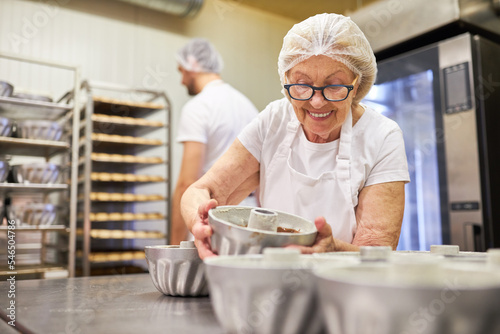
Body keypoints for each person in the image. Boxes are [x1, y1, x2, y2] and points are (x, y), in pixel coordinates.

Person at [180, 14, 410, 258]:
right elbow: (201, 191)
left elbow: (376, 251)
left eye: (334, 85)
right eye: (302, 84)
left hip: (345, 286)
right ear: (286, 79)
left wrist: (332, 251)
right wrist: (200, 223)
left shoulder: (382, 137)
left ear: (357, 84)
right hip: (272, 281)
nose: (317, 101)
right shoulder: (274, 121)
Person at [171, 38, 259, 245]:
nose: (182, 81)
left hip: (214, 218)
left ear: (192, 65)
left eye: (181, 71)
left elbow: (187, 183)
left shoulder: (198, 107)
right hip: (251, 219)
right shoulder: (247, 105)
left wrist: (174, 245)